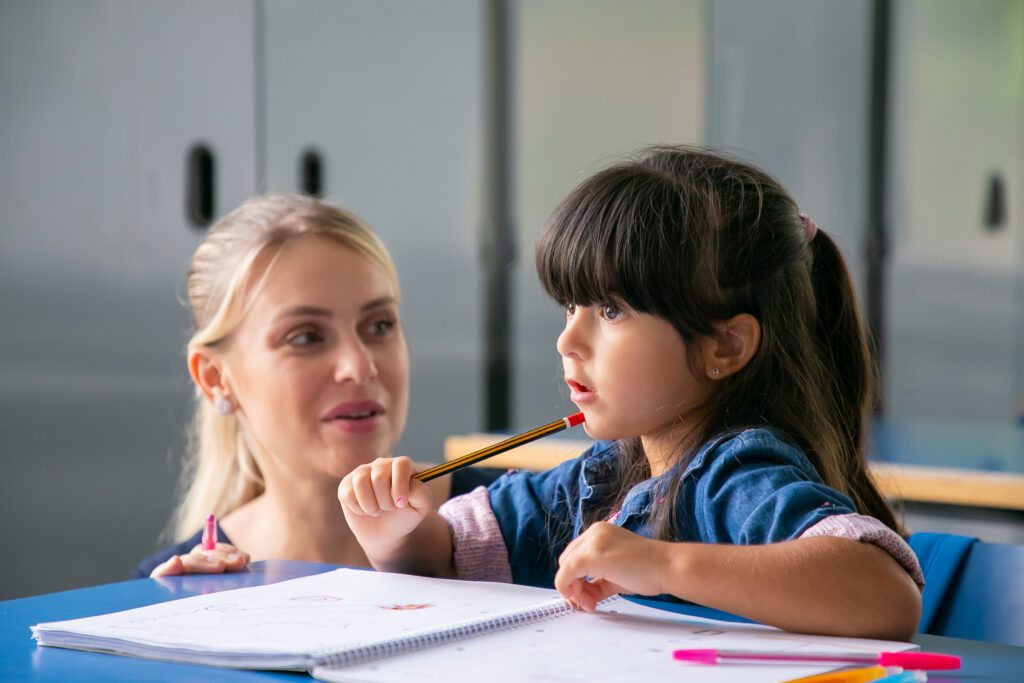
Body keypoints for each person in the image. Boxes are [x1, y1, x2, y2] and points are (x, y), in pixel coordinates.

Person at [338, 146, 924, 641]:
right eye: (571, 306)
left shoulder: (736, 472)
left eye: (611, 310)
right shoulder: (603, 475)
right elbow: (447, 559)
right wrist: (398, 533)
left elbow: (883, 595)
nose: (568, 339)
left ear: (725, 347)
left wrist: (662, 563)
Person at [133, 195, 500, 578]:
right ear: (214, 378)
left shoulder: (525, 520)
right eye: (305, 337)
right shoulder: (170, 589)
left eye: (379, 326)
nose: (359, 367)